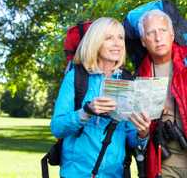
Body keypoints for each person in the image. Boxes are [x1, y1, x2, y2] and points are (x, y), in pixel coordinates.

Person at [50, 17, 150, 178]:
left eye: (120, 38)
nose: (117, 43)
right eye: (109, 38)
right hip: (77, 174)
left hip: (115, 174)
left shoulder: (127, 81)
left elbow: (131, 140)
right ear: (95, 42)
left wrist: (142, 134)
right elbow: (57, 128)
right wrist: (86, 111)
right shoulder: (76, 77)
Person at [137, 9, 187, 178]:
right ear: (144, 41)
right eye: (151, 33)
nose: (158, 38)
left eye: (163, 31)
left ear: (172, 34)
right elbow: (138, 136)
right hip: (164, 164)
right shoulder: (140, 76)